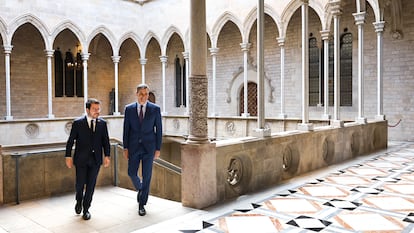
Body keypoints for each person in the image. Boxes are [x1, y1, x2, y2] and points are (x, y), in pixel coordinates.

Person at [65, 98, 111, 220]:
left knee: (91, 186)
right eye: (94, 109)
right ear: (87, 110)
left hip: (95, 160)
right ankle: (79, 201)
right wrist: (68, 156)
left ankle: (86, 209)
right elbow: (70, 141)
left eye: (98, 109)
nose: (97, 111)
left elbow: (106, 141)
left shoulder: (102, 124)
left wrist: (107, 156)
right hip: (81, 160)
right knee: (80, 184)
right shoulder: (78, 123)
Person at [123, 83, 162, 216]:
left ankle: (142, 204)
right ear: (137, 94)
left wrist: (158, 148)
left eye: (146, 94)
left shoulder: (155, 109)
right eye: (141, 94)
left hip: (149, 147)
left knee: (147, 176)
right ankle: (141, 189)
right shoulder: (129, 109)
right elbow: (126, 130)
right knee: (131, 172)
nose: (143, 97)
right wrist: (125, 147)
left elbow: (159, 130)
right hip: (133, 147)